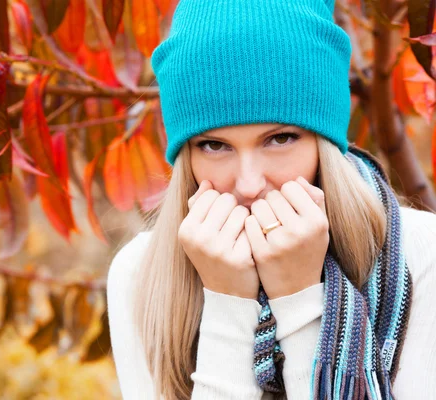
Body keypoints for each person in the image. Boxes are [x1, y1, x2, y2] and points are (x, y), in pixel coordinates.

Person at [106, 1, 436, 399]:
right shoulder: (141, 274)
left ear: (323, 143)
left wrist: (299, 299)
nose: (247, 184)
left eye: (280, 139)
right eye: (214, 145)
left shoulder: (420, 255)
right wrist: (228, 303)